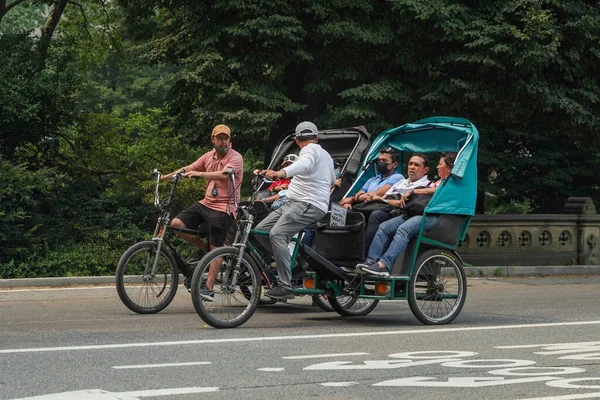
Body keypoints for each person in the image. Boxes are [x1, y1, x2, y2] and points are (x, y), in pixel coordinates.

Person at [255, 121, 335, 300]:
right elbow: (331, 181)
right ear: (316, 136)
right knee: (261, 231)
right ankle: (292, 261)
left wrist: (281, 173)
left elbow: (304, 165)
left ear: (297, 140)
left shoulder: (309, 150)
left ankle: (285, 285)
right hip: (293, 201)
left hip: (308, 203)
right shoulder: (327, 156)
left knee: (276, 235)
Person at [162, 124, 243, 298]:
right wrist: (166, 177)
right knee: (176, 224)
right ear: (212, 139)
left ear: (230, 140)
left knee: (217, 245)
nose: (223, 141)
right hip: (206, 203)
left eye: (225, 138)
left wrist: (200, 175)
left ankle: (209, 288)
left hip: (224, 206)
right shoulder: (209, 156)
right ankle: (210, 252)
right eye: (219, 138)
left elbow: (224, 174)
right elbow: (191, 167)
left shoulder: (235, 157)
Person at [358, 153, 457, 276]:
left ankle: (384, 265)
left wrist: (414, 191)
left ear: (450, 168)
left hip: (436, 217)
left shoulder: (452, 182)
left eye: (440, 164)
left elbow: (439, 191)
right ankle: (371, 261)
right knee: (384, 227)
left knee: (404, 229)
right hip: (417, 212)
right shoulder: (437, 181)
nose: (437, 166)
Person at [360, 153, 431, 253]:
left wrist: (380, 200)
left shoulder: (426, 185)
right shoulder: (401, 182)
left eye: (416, 165)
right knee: (363, 213)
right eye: (410, 164)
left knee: (376, 215)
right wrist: (374, 200)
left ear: (425, 170)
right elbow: (384, 197)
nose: (411, 167)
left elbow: (401, 204)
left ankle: (364, 255)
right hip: (388, 210)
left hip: (403, 215)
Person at [339, 147, 403, 209]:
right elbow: (359, 194)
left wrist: (352, 199)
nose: (381, 162)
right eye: (379, 160)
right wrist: (349, 202)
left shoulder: (397, 177)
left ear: (395, 165)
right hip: (366, 207)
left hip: (381, 210)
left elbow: (379, 193)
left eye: (384, 160)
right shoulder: (372, 179)